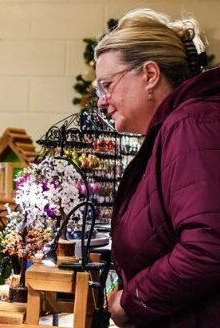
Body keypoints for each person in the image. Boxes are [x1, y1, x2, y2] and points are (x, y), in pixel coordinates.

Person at [94, 8, 220, 328]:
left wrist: (131, 300)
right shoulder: (174, 130)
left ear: (150, 75)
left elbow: (206, 248)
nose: (101, 101)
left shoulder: (190, 126)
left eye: (107, 85)